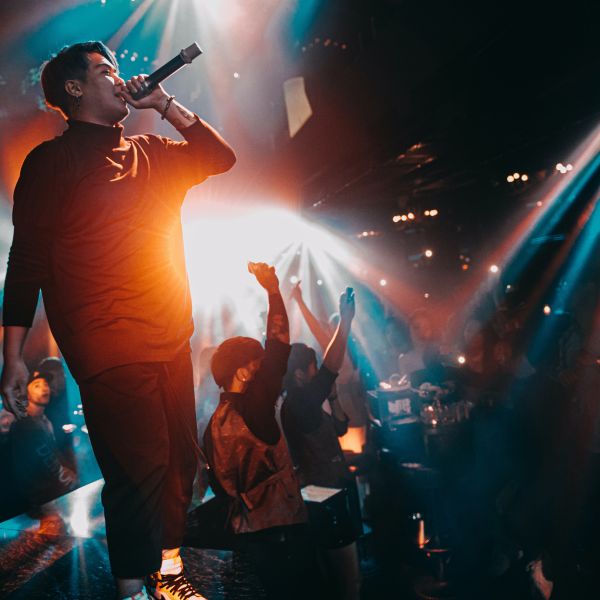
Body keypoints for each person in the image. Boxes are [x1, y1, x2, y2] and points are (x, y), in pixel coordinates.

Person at [1, 41, 236, 600]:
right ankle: (132, 589)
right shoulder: (50, 162)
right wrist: (12, 356)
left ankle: (169, 574)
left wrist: (165, 104)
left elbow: (219, 158)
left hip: (170, 336)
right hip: (105, 342)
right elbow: (27, 260)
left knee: (181, 463)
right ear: (75, 89)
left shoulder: (152, 151)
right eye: (106, 70)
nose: (121, 77)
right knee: (138, 468)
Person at [203, 262, 323, 600]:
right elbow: (280, 346)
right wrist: (272, 291)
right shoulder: (254, 408)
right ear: (242, 373)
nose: (264, 368)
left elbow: (220, 487)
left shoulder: (214, 423)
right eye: (257, 363)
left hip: (244, 537)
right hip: (282, 533)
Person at [282, 287, 362, 600]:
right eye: (312, 367)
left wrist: (334, 397)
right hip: (324, 495)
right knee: (348, 582)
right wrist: (345, 322)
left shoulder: (302, 403)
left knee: (336, 579)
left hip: (329, 490)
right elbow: (331, 367)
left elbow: (339, 427)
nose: (318, 372)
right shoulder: (298, 403)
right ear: (300, 375)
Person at [9, 370, 77, 532]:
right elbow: (40, 464)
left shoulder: (45, 421)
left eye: (46, 384)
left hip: (52, 499)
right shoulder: (25, 425)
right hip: (41, 506)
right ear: (26, 393)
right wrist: (65, 479)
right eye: (37, 385)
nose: (44, 388)